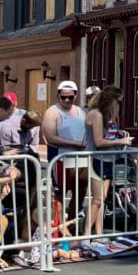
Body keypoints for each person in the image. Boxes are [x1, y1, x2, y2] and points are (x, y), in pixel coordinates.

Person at [41, 81, 95, 239]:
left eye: (70, 97)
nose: (66, 100)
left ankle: (70, 225)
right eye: (63, 97)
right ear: (58, 95)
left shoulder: (80, 112)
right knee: (59, 194)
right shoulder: (52, 112)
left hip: (81, 158)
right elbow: (50, 137)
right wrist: (75, 144)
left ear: (75, 96)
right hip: (61, 158)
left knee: (80, 192)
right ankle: (57, 227)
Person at [85, 86, 133, 242]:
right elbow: (98, 141)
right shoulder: (96, 114)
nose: (117, 105)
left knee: (103, 199)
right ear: (109, 100)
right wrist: (121, 141)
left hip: (108, 159)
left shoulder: (108, 115)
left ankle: (98, 232)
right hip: (96, 160)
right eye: (116, 101)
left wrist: (119, 133)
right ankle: (86, 234)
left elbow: (110, 133)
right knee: (97, 199)